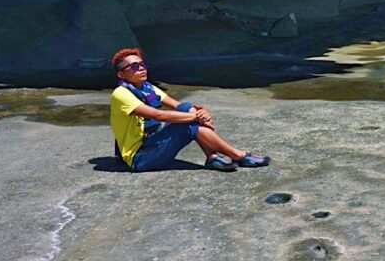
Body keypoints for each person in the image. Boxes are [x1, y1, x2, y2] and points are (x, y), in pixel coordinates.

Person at [109, 47, 270, 172]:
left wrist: (199, 111)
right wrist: (195, 118)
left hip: (153, 143)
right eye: (134, 66)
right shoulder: (121, 94)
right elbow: (159, 115)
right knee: (189, 122)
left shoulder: (147, 88)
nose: (141, 68)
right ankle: (238, 155)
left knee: (188, 108)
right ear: (121, 75)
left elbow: (178, 106)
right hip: (141, 157)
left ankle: (212, 156)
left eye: (142, 64)